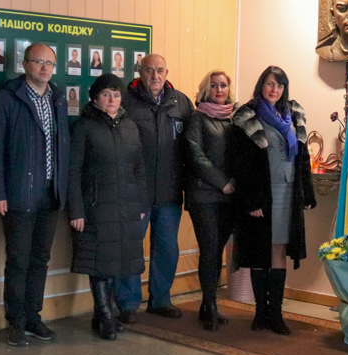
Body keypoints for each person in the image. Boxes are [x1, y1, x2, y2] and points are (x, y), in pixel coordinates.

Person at [0, 44, 70, 346]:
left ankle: (33, 317)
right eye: (38, 62)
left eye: (49, 63)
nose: (45, 68)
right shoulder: (6, 98)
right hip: (19, 192)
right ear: (25, 64)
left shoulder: (58, 98)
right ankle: (16, 323)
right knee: (18, 260)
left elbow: (62, 146)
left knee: (40, 259)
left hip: (50, 192)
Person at [228, 66, 316, 335]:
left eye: (279, 85)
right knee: (259, 250)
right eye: (269, 84)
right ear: (261, 86)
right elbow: (242, 164)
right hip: (261, 194)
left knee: (278, 250)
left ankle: (275, 314)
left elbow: (303, 157)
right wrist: (252, 201)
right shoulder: (247, 115)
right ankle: (260, 313)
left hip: (288, 193)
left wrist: (307, 192)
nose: (274, 89)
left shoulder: (294, 115)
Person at [68, 74, 147, 340]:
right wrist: (76, 210)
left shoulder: (130, 127)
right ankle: (105, 315)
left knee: (117, 262)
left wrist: (141, 203)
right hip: (96, 207)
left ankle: (101, 315)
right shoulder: (83, 127)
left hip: (125, 206)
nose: (111, 100)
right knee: (99, 263)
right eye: (105, 94)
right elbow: (73, 172)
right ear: (95, 98)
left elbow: (139, 169)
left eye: (116, 94)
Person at [115, 54, 193, 322]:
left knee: (167, 248)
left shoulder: (181, 102)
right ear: (140, 72)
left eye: (160, 70)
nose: (155, 76)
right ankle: (127, 304)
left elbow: (191, 145)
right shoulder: (125, 100)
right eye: (149, 70)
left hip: (170, 191)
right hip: (135, 192)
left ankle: (160, 300)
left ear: (167, 72)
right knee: (130, 248)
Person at [184, 70, 236, 331]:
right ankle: (211, 306)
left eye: (223, 85)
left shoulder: (234, 118)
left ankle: (208, 304)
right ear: (206, 90)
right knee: (210, 250)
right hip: (203, 195)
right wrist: (222, 182)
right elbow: (195, 156)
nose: (219, 90)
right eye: (214, 86)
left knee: (218, 252)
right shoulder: (197, 118)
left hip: (229, 197)